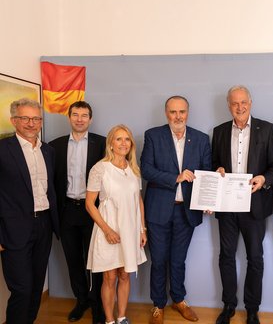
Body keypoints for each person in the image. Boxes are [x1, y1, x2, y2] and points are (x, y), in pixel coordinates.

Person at [212, 85, 273, 324]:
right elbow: (214, 164)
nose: (239, 107)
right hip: (227, 206)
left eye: (243, 103)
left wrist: (264, 179)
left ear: (250, 103)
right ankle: (229, 305)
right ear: (228, 105)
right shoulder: (219, 131)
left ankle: (252, 308)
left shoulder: (267, 129)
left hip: (256, 205)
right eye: (234, 103)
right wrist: (217, 170)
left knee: (255, 257)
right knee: (226, 257)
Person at [141, 95, 212, 324]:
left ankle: (179, 299)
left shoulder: (201, 139)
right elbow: (146, 170)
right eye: (173, 112)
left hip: (187, 211)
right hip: (158, 210)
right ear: (166, 114)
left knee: (178, 260)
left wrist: (209, 199)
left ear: (187, 113)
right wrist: (176, 177)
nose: (178, 116)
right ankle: (158, 304)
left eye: (181, 112)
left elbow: (206, 173)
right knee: (159, 260)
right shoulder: (153, 135)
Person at [0, 98, 59, 323]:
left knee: (36, 286)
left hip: (43, 224)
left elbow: (50, 189)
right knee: (22, 289)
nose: (31, 123)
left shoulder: (48, 151)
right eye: (25, 118)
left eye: (36, 118)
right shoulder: (3, 149)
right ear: (14, 120)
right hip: (14, 229)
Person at [49, 101, 106, 323]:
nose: (80, 119)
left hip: (93, 211)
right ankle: (81, 300)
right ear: (69, 117)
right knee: (73, 260)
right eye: (75, 115)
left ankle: (97, 304)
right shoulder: (55, 146)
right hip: (67, 211)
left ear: (90, 119)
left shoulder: (101, 143)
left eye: (84, 115)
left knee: (95, 261)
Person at [85, 124, 147, 324]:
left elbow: (138, 201)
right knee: (109, 277)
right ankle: (109, 320)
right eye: (118, 139)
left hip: (130, 230)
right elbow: (89, 204)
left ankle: (121, 317)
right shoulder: (100, 168)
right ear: (110, 143)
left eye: (127, 139)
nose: (123, 143)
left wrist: (142, 229)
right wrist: (107, 230)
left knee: (125, 275)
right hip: (108, 229)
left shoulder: (133, 169)